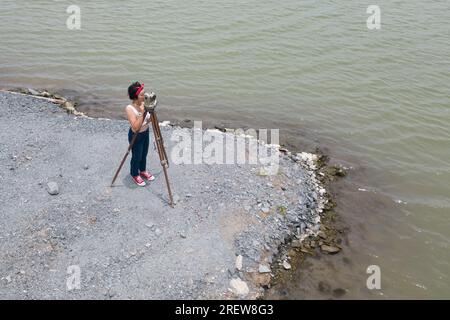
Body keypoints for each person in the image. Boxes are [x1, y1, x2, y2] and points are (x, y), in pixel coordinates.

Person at [125, 81, 155, 186]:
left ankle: (142, 170)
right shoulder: (130, 108)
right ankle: (134, 174)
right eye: (142, 95)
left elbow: (150, 120)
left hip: (145, 133)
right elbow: (136, 127)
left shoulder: (144, 104)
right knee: (136, 156)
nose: (144, 96)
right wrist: (142, 112)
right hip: (136, 136)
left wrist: (151, 109)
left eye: (144, 93)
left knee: (144, 154)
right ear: (135, 96)